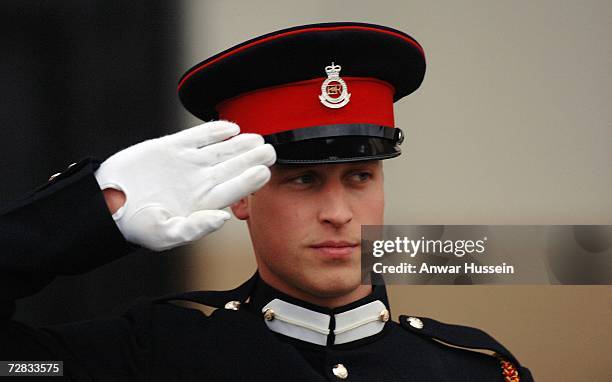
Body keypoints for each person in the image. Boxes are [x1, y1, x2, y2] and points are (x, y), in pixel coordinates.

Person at [0, 22, 533, 381]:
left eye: (360, 176)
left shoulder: (474, 369)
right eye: (303, 181)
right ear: (241, 197)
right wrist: (90, 213)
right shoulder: (153, 356)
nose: (339, 212)